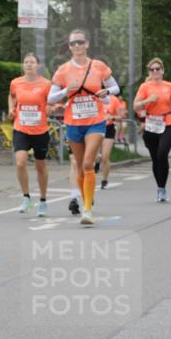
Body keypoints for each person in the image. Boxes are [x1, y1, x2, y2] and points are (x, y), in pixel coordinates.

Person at [48, 29, 120, 226]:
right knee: (80, 167)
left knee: (88, 163)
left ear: (87, 44)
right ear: (69, 47)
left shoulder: (98, 66)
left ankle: (87, 210)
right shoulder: (63, 70)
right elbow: (50, 98)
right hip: (73, 122)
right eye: (73, 43)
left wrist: (106, 91)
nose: (77, 46)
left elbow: (116, 87)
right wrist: (65, 91)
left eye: (80, 42)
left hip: (95, 120)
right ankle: (85, 200)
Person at [8, 53, 52, 217]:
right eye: (26, 62)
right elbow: (12, 97)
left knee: (40, 166)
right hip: (21, 128)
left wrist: (51, 108)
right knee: (20, 162)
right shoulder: (16, 83)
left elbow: (53, 101)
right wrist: (11, 109)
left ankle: (43, 200)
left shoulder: (47, 84)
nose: (28, 65)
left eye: (32, 62)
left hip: (40, 130)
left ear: (38, 66)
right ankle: (26, 197)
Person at [133, 58, 171, 202]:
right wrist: (147, 101)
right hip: (151, 124)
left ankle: (162, 189)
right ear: (149, 72)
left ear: (163, 70)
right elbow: (136, 106)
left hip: (168, 123)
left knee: (162, 153)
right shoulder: (144, 87)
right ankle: (160, 188)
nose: (155, 71)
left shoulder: (169, 85)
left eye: (158, 69)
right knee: (155, 158)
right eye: (152, 69)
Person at [98, 92, 126, 189]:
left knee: (105, 156)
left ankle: (104, 180)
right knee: (95, 156)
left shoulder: (113, 99)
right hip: (95, 128)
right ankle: (96, 165)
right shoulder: (94, 96)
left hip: (108, 128)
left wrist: (112, 117)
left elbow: (120, 116)